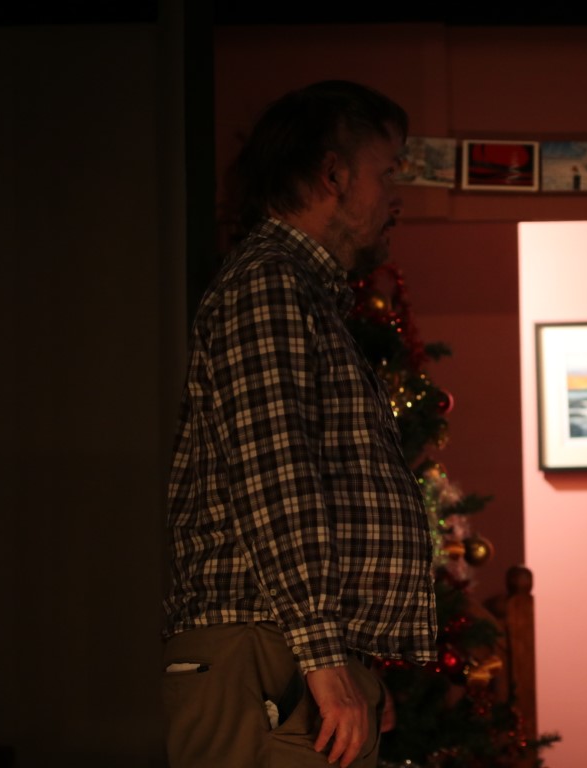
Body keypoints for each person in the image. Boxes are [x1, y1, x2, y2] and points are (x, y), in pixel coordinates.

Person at [161, 80, 436, 768]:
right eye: (387, 171)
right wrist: (325, 661)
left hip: (281, 652)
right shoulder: (269, 285)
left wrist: (348, 661)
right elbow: (275, 478)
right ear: (333, 175)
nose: (395, 196)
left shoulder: (298, 290)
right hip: (263, 654)